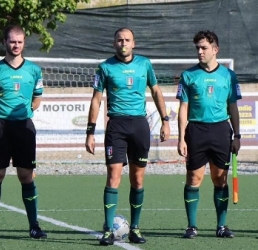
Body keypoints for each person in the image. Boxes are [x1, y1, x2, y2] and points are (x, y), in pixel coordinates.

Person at [85, 27, 170, 246]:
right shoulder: (105, 67)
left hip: (140, 126)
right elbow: (96, 99)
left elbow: (156, 91)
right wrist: (90, 132)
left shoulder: (145, 64)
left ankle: (135, 228)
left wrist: (166, 121)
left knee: (138, 179)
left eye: (127, 40)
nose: (123, 43)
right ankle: (107, 229)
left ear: (134, 43)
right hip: (117, 126)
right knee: (114, 176)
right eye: (120, 40)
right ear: (114, 44)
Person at [0, 25, 47, 240]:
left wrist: (26, 112)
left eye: (19, 42)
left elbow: (37, 98)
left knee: (26, 176)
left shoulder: (34, 70)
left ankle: (34, 226)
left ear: (24, 43)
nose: (15, 45)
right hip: (0, 127)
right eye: (12, 41)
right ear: (5, 43)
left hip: (24, 128)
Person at [176, 30, 241, 239]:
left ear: (215, 49)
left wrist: (237, 136)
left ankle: (222, 226)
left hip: (221, 130)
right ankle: (191, 226)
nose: (200, 52)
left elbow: (233, 107)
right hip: (196, 130)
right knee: (194, 178)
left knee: (219, 179)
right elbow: (183, 108)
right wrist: (180, 137)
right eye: (197, 48)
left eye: (204, 48)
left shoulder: (229, 75)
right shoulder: (188, 75)